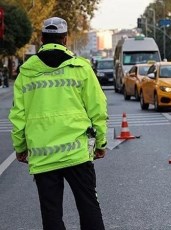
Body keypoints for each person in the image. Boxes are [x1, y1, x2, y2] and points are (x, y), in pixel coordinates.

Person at [8, 17, 108, 230]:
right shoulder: (80, 67)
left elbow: (18, 116)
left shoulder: (26, 72)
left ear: (42, 38)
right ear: (65, 39)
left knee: (51, 213)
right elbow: (98, 108)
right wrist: (101, 142)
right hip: (77, 154)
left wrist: (20, 147)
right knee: (89, 206)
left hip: (44, 156)